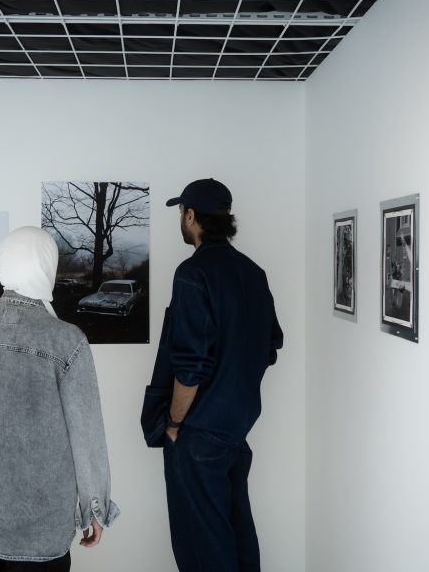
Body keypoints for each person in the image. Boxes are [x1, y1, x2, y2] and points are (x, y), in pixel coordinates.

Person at [0, 226, 119, 572]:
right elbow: (86, 436)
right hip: (40, 530)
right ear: (46, 267)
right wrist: (95, 506)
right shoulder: (66, 341)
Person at [150, 178, 283, 572]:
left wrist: (174, 422)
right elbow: (271, 345)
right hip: (237, 432)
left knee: (202, 551)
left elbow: (190, 366)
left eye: (181, 212)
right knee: (238, 536)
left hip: (199, 434)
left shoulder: (192, 274)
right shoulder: (253, 273)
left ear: (191, 216)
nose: (181, 218)